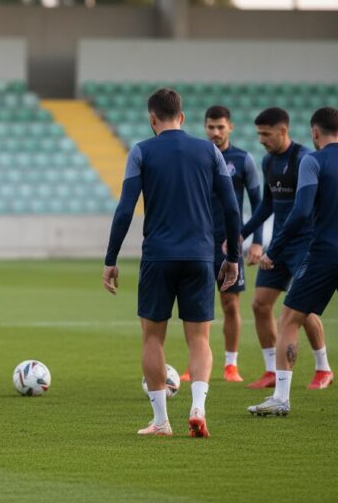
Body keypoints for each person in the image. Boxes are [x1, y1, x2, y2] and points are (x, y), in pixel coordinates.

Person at [103, 88, 241, 438]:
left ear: (152, 119)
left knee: (152, 338)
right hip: (200, 256)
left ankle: (162, 421)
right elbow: (232, 208)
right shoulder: (209, 150)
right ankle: (198, 407)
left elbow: (125, 209)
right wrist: (233, 258)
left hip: (158, 256)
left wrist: (111, 258)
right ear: (182, 117)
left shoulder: (142, 151)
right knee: (199, 339)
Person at [247, 107, 338, 418]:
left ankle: (281, 397)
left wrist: (274, 250)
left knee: (289, 318)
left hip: (324, 254)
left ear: (315, 133)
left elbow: (300, 212)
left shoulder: (312, 161)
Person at [238, 108, 332, 390]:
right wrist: (240, 234)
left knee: (301, 308)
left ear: (283, 131)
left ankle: (323, 368)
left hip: (304, 243)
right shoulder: (268, 162)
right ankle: (270, 370)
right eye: (259, 134)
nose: (262, 139)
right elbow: (268, 205)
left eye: (266, 134)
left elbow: (312, 206)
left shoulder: (304, 159)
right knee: (260, 304)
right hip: (277, 246)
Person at [184, 106, 263, 384]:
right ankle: (193, 364)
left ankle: (231, 364)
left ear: (230, 127)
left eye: (220, 127)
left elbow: (258, 205)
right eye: (210, 127)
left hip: (229, 244)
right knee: (195, 304)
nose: (215, 132)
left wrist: (257, 243)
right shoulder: (198, 156)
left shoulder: (243, 160)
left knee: (230, 304)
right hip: (199, 243)